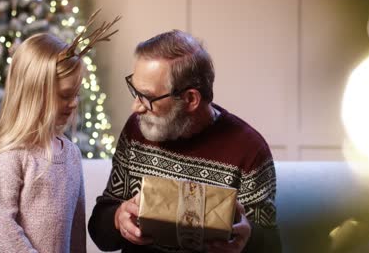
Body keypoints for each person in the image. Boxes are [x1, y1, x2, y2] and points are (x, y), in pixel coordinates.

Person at [88, 29, 279, 253]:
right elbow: (100, 233)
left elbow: (272, 246)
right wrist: (117, 218)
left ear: (190, 99)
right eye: (135, 91)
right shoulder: (136, 129)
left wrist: (247, 240)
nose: (136, 107)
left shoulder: (248, 150)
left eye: (148, 97)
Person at [0, 12, 120, 253]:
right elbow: (2, 223)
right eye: (65, 95)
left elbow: (77, 228)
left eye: (76, 94)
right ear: (34, 94)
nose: (74, 103)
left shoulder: (72, 155)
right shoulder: (13, 155)